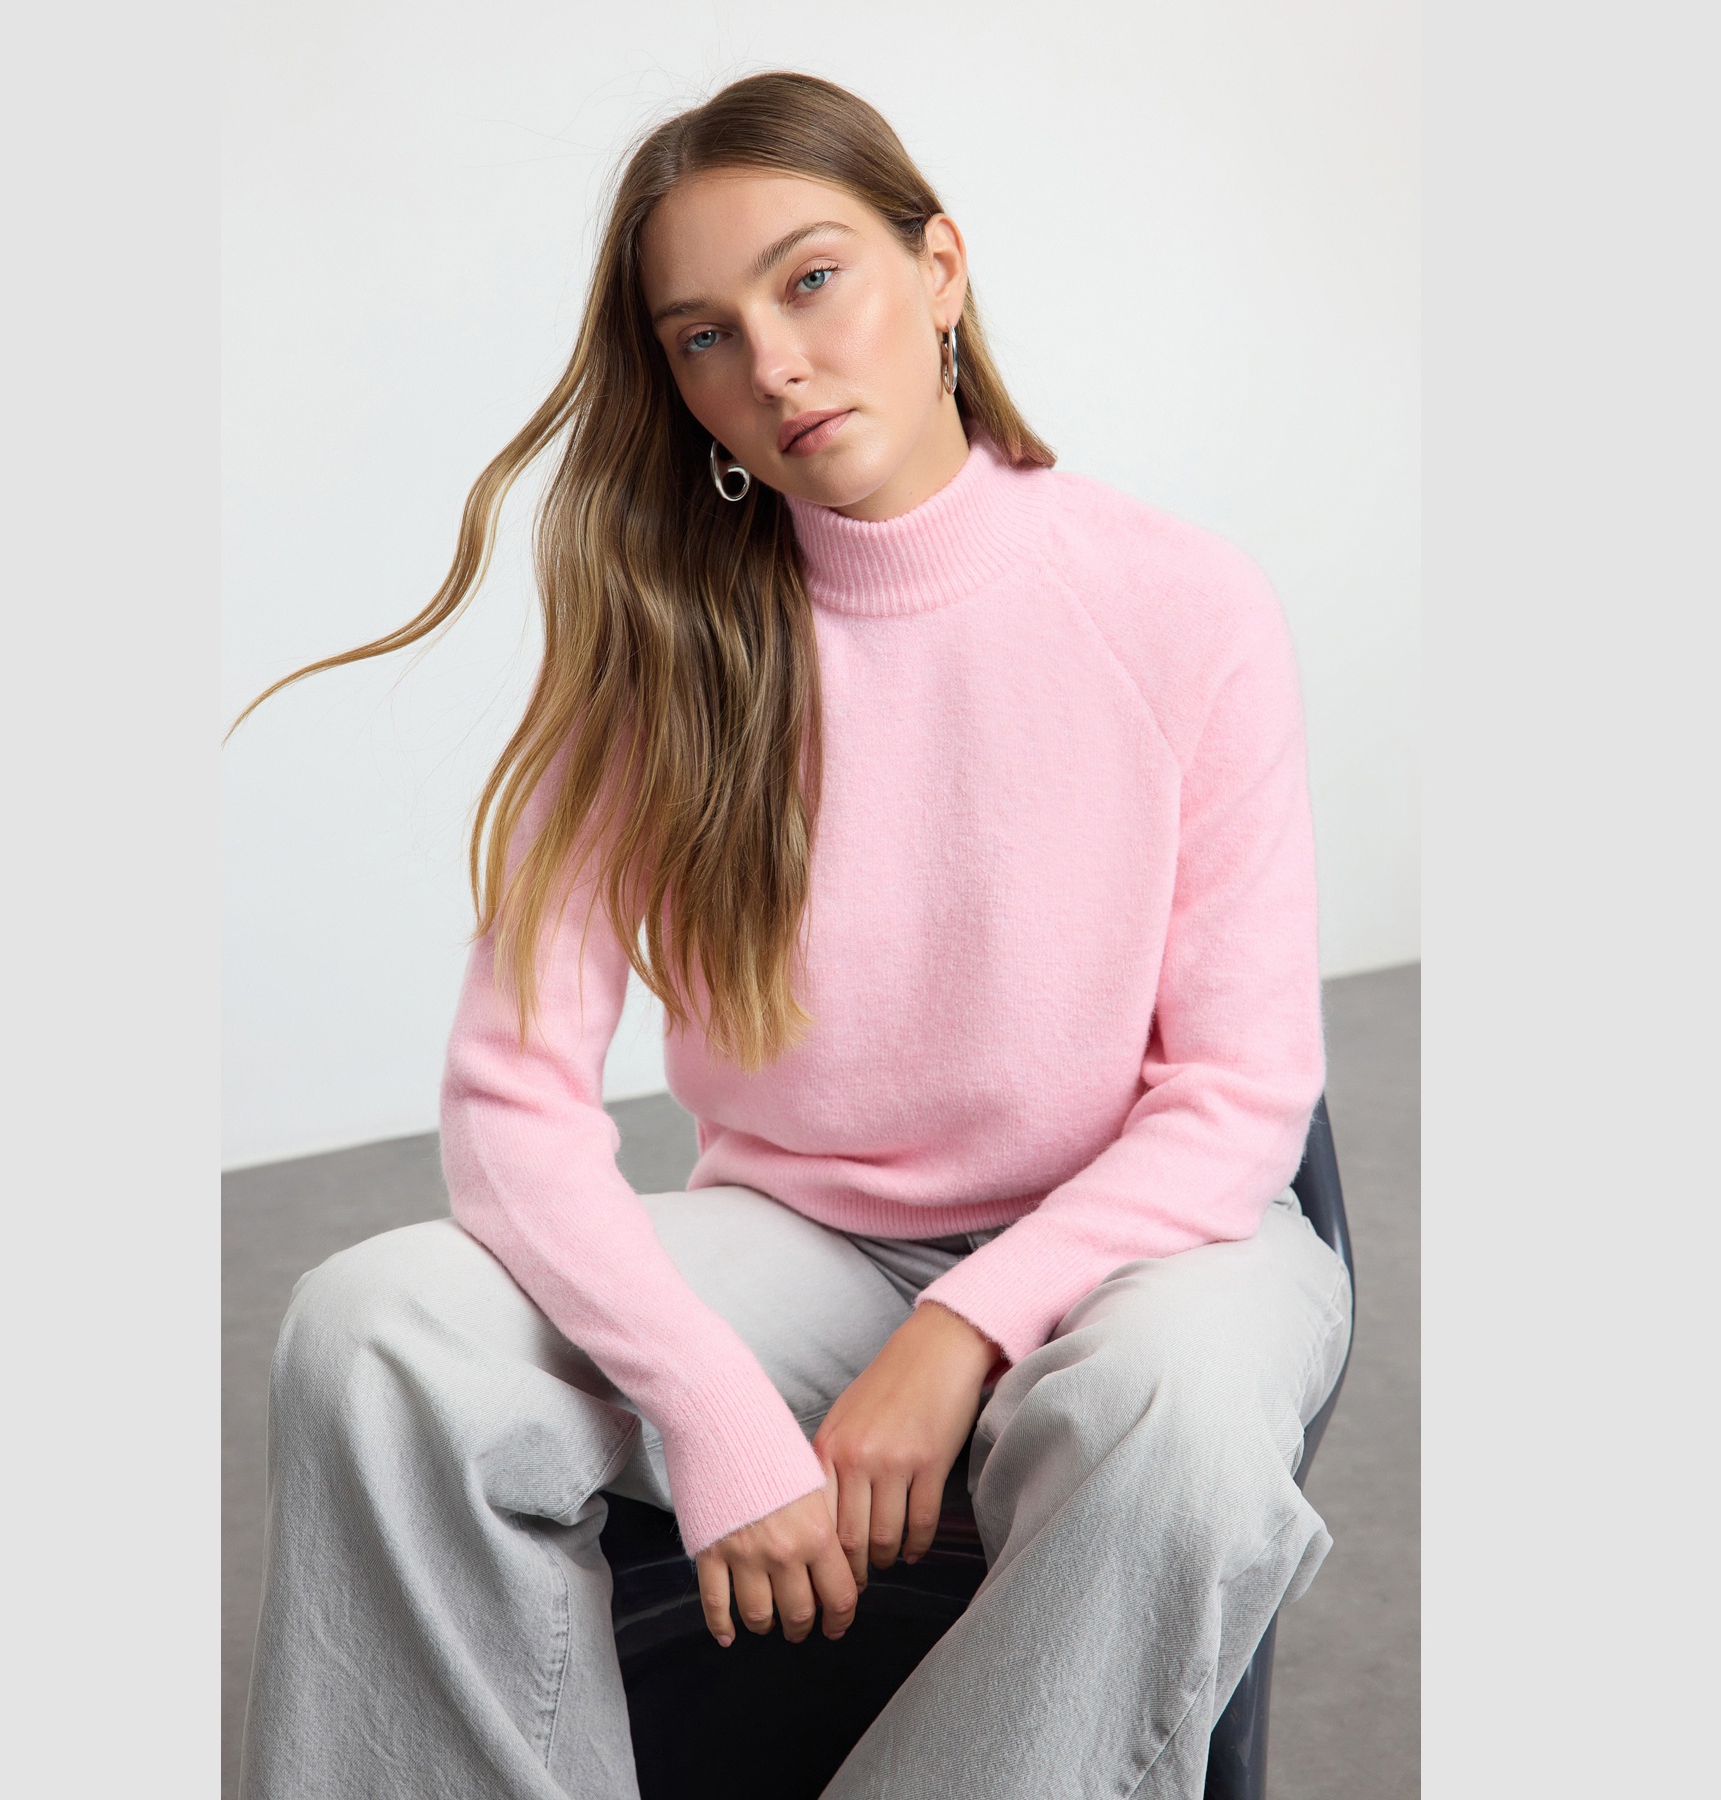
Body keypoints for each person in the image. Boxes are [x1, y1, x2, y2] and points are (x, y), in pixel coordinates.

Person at [236, 69, 1352, 1800]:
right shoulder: (666, 649)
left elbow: (1240, 1094)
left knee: (1185, 1422)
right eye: (704, 335)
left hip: (1149, 1245)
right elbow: (511, 1106)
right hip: (803, 1250)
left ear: (940, 270)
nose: (772, 363)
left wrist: (962, 1331)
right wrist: (713, 1409)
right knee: (370, 1330)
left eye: (812, 279)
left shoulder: (1181, 604)